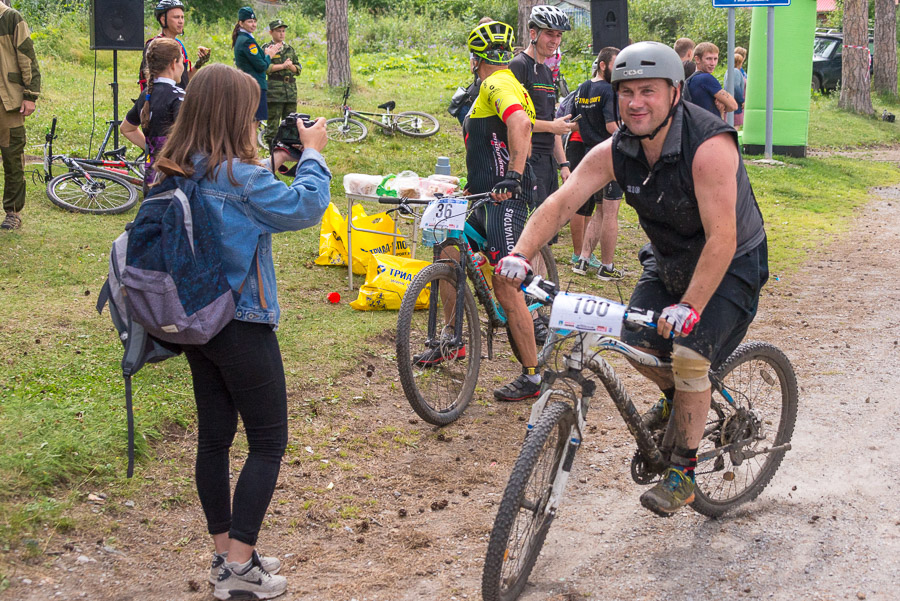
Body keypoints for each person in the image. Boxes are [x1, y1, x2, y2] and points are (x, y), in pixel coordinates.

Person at [495, 41, 768, 517]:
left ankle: (682, 471)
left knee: (688, 359)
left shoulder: (709, 147)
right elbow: (562, 202)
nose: (636, 103)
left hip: (730, 264)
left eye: (649, 91)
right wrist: (520, 254)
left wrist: (691, 307)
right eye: (626, 93)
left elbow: (722, 238)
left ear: (675, 93)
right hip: (669, 261)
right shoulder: (616, 150)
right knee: (632, 341)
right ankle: (676, 400)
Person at [153, 63, 330, 600]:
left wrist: (273, 164)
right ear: (235, 114)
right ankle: (239, 573)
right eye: (252, 110)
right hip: (242, 324)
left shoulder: (174, 168)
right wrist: (314, 153)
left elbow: (239, 200)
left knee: (215, 439)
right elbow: (306, 206)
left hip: (195, 324)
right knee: (269, 441)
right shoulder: (241, 178)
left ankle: (226, 553)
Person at [420, 21, 540, 402]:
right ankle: (453, 340)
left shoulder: (496, 83)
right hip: (486, 194)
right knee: (448, 246)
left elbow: (520, 122)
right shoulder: (501, 84)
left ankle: (533, 375)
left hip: (507, 197)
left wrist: (513, 176)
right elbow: (503, 135)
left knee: (505, 280)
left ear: (474, 60)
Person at [509, 5, 575, 213]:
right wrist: (553, 126)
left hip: (547, 162)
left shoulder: (547, 71)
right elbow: (514, 122)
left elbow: (551, 121)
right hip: (527, 158)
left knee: (547, 224)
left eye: (559, 35)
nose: (555, 40)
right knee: (530, 224)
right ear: (533, 33)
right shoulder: (519, 66)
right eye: (549, 34)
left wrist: (563, 164)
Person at [567, 47, 623, 281]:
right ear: (603, 65)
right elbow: (612, 127)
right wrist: (632, 141)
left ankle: (583, 258)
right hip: (610, 154)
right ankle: (607, 266)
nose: (619, 70)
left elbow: (574, 123)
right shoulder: (609, 90)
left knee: (599, 210)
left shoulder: (582, 88)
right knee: (610, 212)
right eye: (616, 64)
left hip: (590, 155)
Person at [121, 38, 185, 187]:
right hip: (174, 178)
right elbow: (186, 136)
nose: (183, 67)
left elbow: (127, 128)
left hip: (150, 180)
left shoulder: (146, 95)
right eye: (182, 62)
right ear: (173, 63)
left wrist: (151, 147)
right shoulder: (178, 96)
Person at [0, 2, 40, 231]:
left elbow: (27, 56)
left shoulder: (11, 18)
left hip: (8, 101)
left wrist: (30, 95)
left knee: (12, 155)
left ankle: (13, 212)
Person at [139, 0, 209, 92]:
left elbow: (182, 80)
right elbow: (151, 81)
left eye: (182, 17)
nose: (181, 21)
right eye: (176, 17)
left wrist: (198, 64)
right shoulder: (155, 46)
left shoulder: (179, 45)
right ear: (163, 20)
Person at [232, 6, 280, 124]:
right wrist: (269, 55)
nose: (253, 24)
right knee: (254, 122)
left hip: (248, 84)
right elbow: (262, 66)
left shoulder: (243, 38)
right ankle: (251, 143)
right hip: (255, 85)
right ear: (241, 23)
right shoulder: (247, 41)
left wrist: (264, 55)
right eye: (249, 21)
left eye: (254, 21)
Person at [262, 19, 300, 147]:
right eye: (278, 31)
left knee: (291, 123)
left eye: (283, 31)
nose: (282, 34)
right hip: (274, 92)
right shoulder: (266, 49)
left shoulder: (290, 49)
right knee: (273, 124)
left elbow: (298, 69)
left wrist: (290, 67)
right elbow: (265, 68)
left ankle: (287, 150)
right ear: (271, 32)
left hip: (290, 91)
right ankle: (271, 150)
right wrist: (283, 66)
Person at [688, 42, 737, 120]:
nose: (713, 63)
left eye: (715, 59)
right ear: (697, 59)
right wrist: (723, 106)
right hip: (710, 128)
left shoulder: (691, 79)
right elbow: (733, 105)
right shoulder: (706, 78)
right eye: (708, 59)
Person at [727, 51, 747, 128]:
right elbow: (735, 87)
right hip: (736, 102)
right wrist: (741, 101)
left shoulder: (730, 71)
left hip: (732, 101)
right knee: (735, 125)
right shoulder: (735, 71)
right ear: (739, 63)